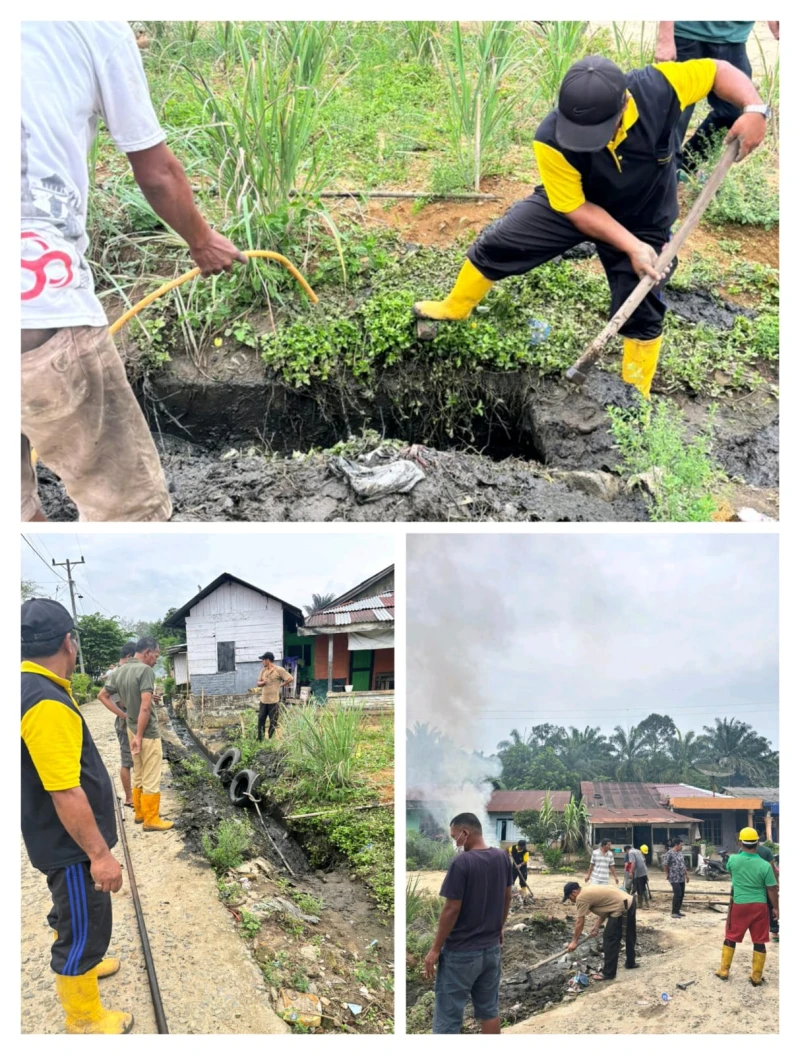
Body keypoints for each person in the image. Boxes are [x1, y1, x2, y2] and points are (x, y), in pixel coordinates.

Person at [413, 54, 768, 401]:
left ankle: (635, 400)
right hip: (579, 203)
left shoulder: (659, 87)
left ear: (624, 103)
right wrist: (627, 244)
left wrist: (753, 108)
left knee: (641, 294)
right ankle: (456, 306)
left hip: (644, 215)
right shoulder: (549, 138)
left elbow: (717, 71)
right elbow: (576, 209)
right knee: (500, 242)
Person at [21, 21, 246, 523]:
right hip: (33, 304)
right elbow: (157, 171)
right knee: (126, 513)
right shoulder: (95, 23)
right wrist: (202, 241)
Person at [21, 598, 133, 1033]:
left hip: (59, 840)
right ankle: (83, 1017)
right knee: (83, 923)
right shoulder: (44, 700)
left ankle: (87, 966)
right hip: (71, 847)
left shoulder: (28, 687)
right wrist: (100, 855)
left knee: (72, 911)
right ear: (69, 643)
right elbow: (65, 790)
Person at [424, 813, 513, 1034]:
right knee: (489, 1011)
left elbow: (451, 909)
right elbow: (507, 896)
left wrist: (435, 949)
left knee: (448, 1017)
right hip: (491, 950)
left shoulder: (462, 862)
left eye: (455, 837)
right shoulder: (502, 857)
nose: (455, 842)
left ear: (465, 833)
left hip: (461, 953)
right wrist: (499, 927)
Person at [654, 21, 779, 173]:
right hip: (688, 32)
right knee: (674, 114)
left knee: (734, 112)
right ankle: (662, 177)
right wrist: (665, 36)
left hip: (734, 35)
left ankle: (684, 167)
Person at [99, 636, 171, 831]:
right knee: (151, 774)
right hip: (146, 731)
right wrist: (140, 735)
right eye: (156, 655)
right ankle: (151, 819)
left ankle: (140, 813)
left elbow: (102, 696)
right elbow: (146, 707)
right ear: (147, 652)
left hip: (130, 727)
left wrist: (123, 715)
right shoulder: (145, 671)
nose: (156, 660)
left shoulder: (120, 671)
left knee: (138, 772)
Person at [715, 827, 778, 986]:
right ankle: (756, 977)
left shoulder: (733, 860)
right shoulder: (765, 865)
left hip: (739, 904)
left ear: (740, 842)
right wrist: (776, 908)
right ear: (757, 842)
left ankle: (724, 970)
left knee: (731, 936)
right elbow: (772, 888)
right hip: (759, 906)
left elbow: (732, 873)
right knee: (759, 940)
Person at [563, 881, 638, 980]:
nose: (571, 901)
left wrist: (574, 942)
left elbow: (580, 922)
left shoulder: (581, 897)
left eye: (569, 898)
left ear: (574, 892)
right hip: (630, 902)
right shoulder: (589, 890)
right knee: (629, 934)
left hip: (621, 907)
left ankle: (608, 973)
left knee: (609, 939)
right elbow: (607, 908)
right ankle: (630, 962)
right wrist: (596, 926)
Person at [98, 642, 136, 808]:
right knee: (127, 760)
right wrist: (124, 716)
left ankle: (135, 794)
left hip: (130, 720)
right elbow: (107, 698)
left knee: (134, 759)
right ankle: (129, 797)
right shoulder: (117, 674)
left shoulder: (124, 672)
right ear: (129, 656)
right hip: (124, 723)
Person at [256, 652, 293, 741]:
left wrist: (281, 685)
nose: (262, 662)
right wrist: (263, 683)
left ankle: (270, 738)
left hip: (274, 701)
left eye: (263, 660)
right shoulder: (263, 671)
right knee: (261, 719)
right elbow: (258, 683)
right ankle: (260, 739)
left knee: (273, 721)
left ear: (268, 660)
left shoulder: (279, 670)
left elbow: (290, 678)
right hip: (263, 701)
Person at [755, 839, 779, 941]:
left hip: (752, 884)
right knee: (771, 905)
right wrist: (776, 881)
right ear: (758, 839)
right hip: (766, 882)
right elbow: (773, 868)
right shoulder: (766, 851)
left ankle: (756, 931)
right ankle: (774, 932)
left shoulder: (741, 851)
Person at [663, 837, 689, 918]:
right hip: (674, 877)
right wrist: (667, 873)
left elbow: (683, 865)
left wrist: (687, 875)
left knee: (681, 894)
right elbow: (665, 864)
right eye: (681, 845)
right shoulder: (669, 853)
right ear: (676, 845)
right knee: (677, 893)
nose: (682, 847)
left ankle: (678, 911)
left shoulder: (680, 853)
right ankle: (674, 912)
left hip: (681, 877)